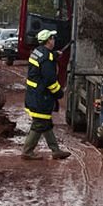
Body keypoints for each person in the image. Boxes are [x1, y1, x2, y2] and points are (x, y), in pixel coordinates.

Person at [22, 29, 71, 160]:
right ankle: (27, 152)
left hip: (34, 94)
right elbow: (50, 80)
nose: (54, 40)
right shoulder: (46, 59)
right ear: (48, 41)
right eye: (52, 38)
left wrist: (54, 55)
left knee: (45, 123)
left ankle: (55, 150)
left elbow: (44, 59)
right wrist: (59, 93)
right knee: (39, 123)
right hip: (41, 96)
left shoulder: (38, 52)